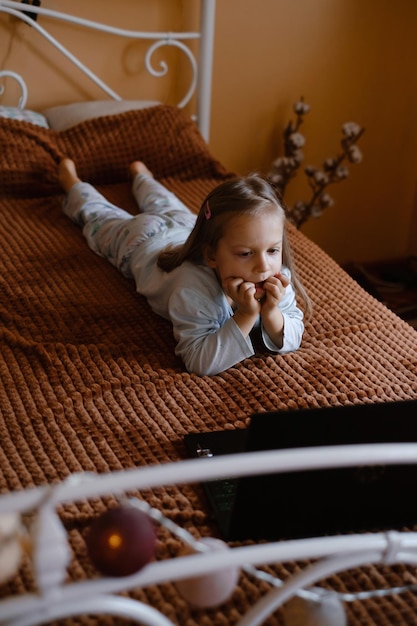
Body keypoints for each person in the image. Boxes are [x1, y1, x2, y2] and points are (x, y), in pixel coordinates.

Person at [58, 158, 312, 376]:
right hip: (142, 241)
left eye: (272, 250)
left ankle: (141, 175)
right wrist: (245, 315)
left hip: (185, 226)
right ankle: (71, 181)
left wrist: (270, 313)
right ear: (211, 255)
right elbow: (200, 361)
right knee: (100, 217)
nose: (263, 266)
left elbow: (293, 332)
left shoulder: (277, 279)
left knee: (166, 201)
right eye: (246, 253)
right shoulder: (192, 290)